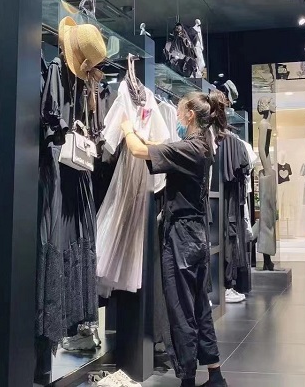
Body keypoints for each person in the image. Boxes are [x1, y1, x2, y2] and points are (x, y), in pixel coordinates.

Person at [120, 90, 229, 387]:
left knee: (180, 309)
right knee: (199, 306)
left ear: (190, 115)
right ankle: (215, 374)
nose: (177, 116)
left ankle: (187, 379)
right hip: (197, 235)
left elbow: (138, 151)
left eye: (180, 111)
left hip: (181, 237)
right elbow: (160, 149)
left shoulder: (189, 148)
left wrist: (127, 127)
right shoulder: (203, 145)